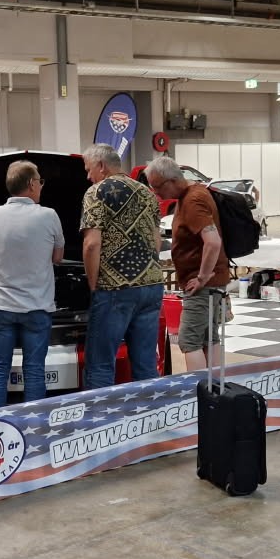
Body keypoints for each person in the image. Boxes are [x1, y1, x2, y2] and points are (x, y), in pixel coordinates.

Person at [79, 143, 165, 390]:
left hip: (115, 288)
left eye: (88, 169)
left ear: (101, 166)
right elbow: (156, 240)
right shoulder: (147, 192)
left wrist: (94, 285)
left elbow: (91, 244)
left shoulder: (96, 192)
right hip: (152, 285)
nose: (88, 176)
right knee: (146, 364)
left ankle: (100, 414)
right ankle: (149, 411)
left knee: (100, 365)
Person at [0, 160, 65, 407]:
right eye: (40, 181)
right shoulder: (49, 215)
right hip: (36, 307)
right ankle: (34, 424)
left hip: (0, 306)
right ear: (31, 184)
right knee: (34, 370)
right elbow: (58, 258)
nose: (41, 185)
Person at [146, 157, 231, 372]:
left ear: (172, 180)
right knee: (208, 337)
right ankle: (213, 386)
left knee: (189, 340)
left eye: (158, 187)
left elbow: (213, 242)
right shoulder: (195, 193)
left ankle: (198, 388)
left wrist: (202, 277)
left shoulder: (192, 200)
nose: (156, 193)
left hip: (203, 285)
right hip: (212, 281)